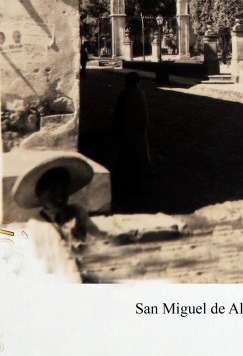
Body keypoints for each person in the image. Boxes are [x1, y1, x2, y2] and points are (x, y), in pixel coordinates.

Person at [12, 154, 103, 244]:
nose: (59, 199)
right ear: (40, 193)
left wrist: (86, 236)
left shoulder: (77, 212)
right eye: (53, 193)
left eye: (63, 192)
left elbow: (97, 237)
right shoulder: (37, 225)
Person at [111, 71, 152, 207]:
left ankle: (129, 174)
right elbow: (144, 113)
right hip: (138, 129)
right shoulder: (140, 94)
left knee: (127, 151)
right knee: (139, 152)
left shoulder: (124, 94)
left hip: (127, 128)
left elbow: (118, 113)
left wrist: (116, 127)